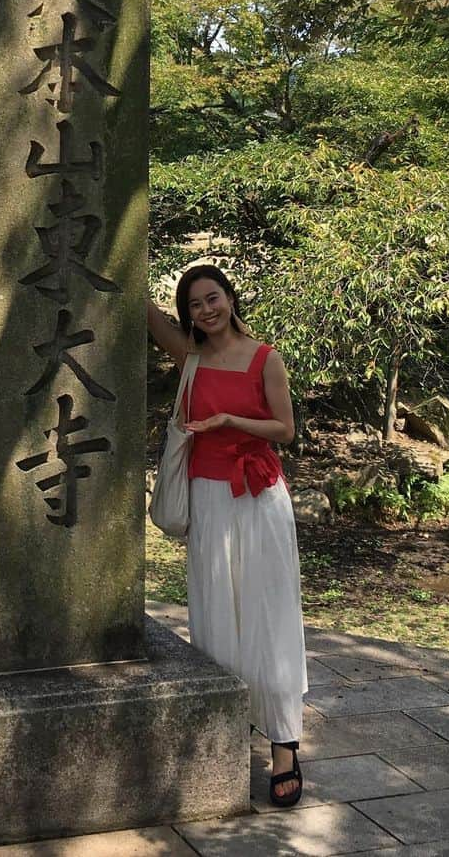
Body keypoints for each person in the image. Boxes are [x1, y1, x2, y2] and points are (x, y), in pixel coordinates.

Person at [148, 263, 308, 806]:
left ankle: (283, 742)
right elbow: (145, 313)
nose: (205, 310)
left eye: (212, 298)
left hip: (259, 498)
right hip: (209, 497)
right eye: (194, 305)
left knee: (270, 612)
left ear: (230, 298)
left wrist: (230, 423)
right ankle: (226, 722)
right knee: (215, 612)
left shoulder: (266, 358)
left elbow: (285, 429)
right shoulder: (189, 357)